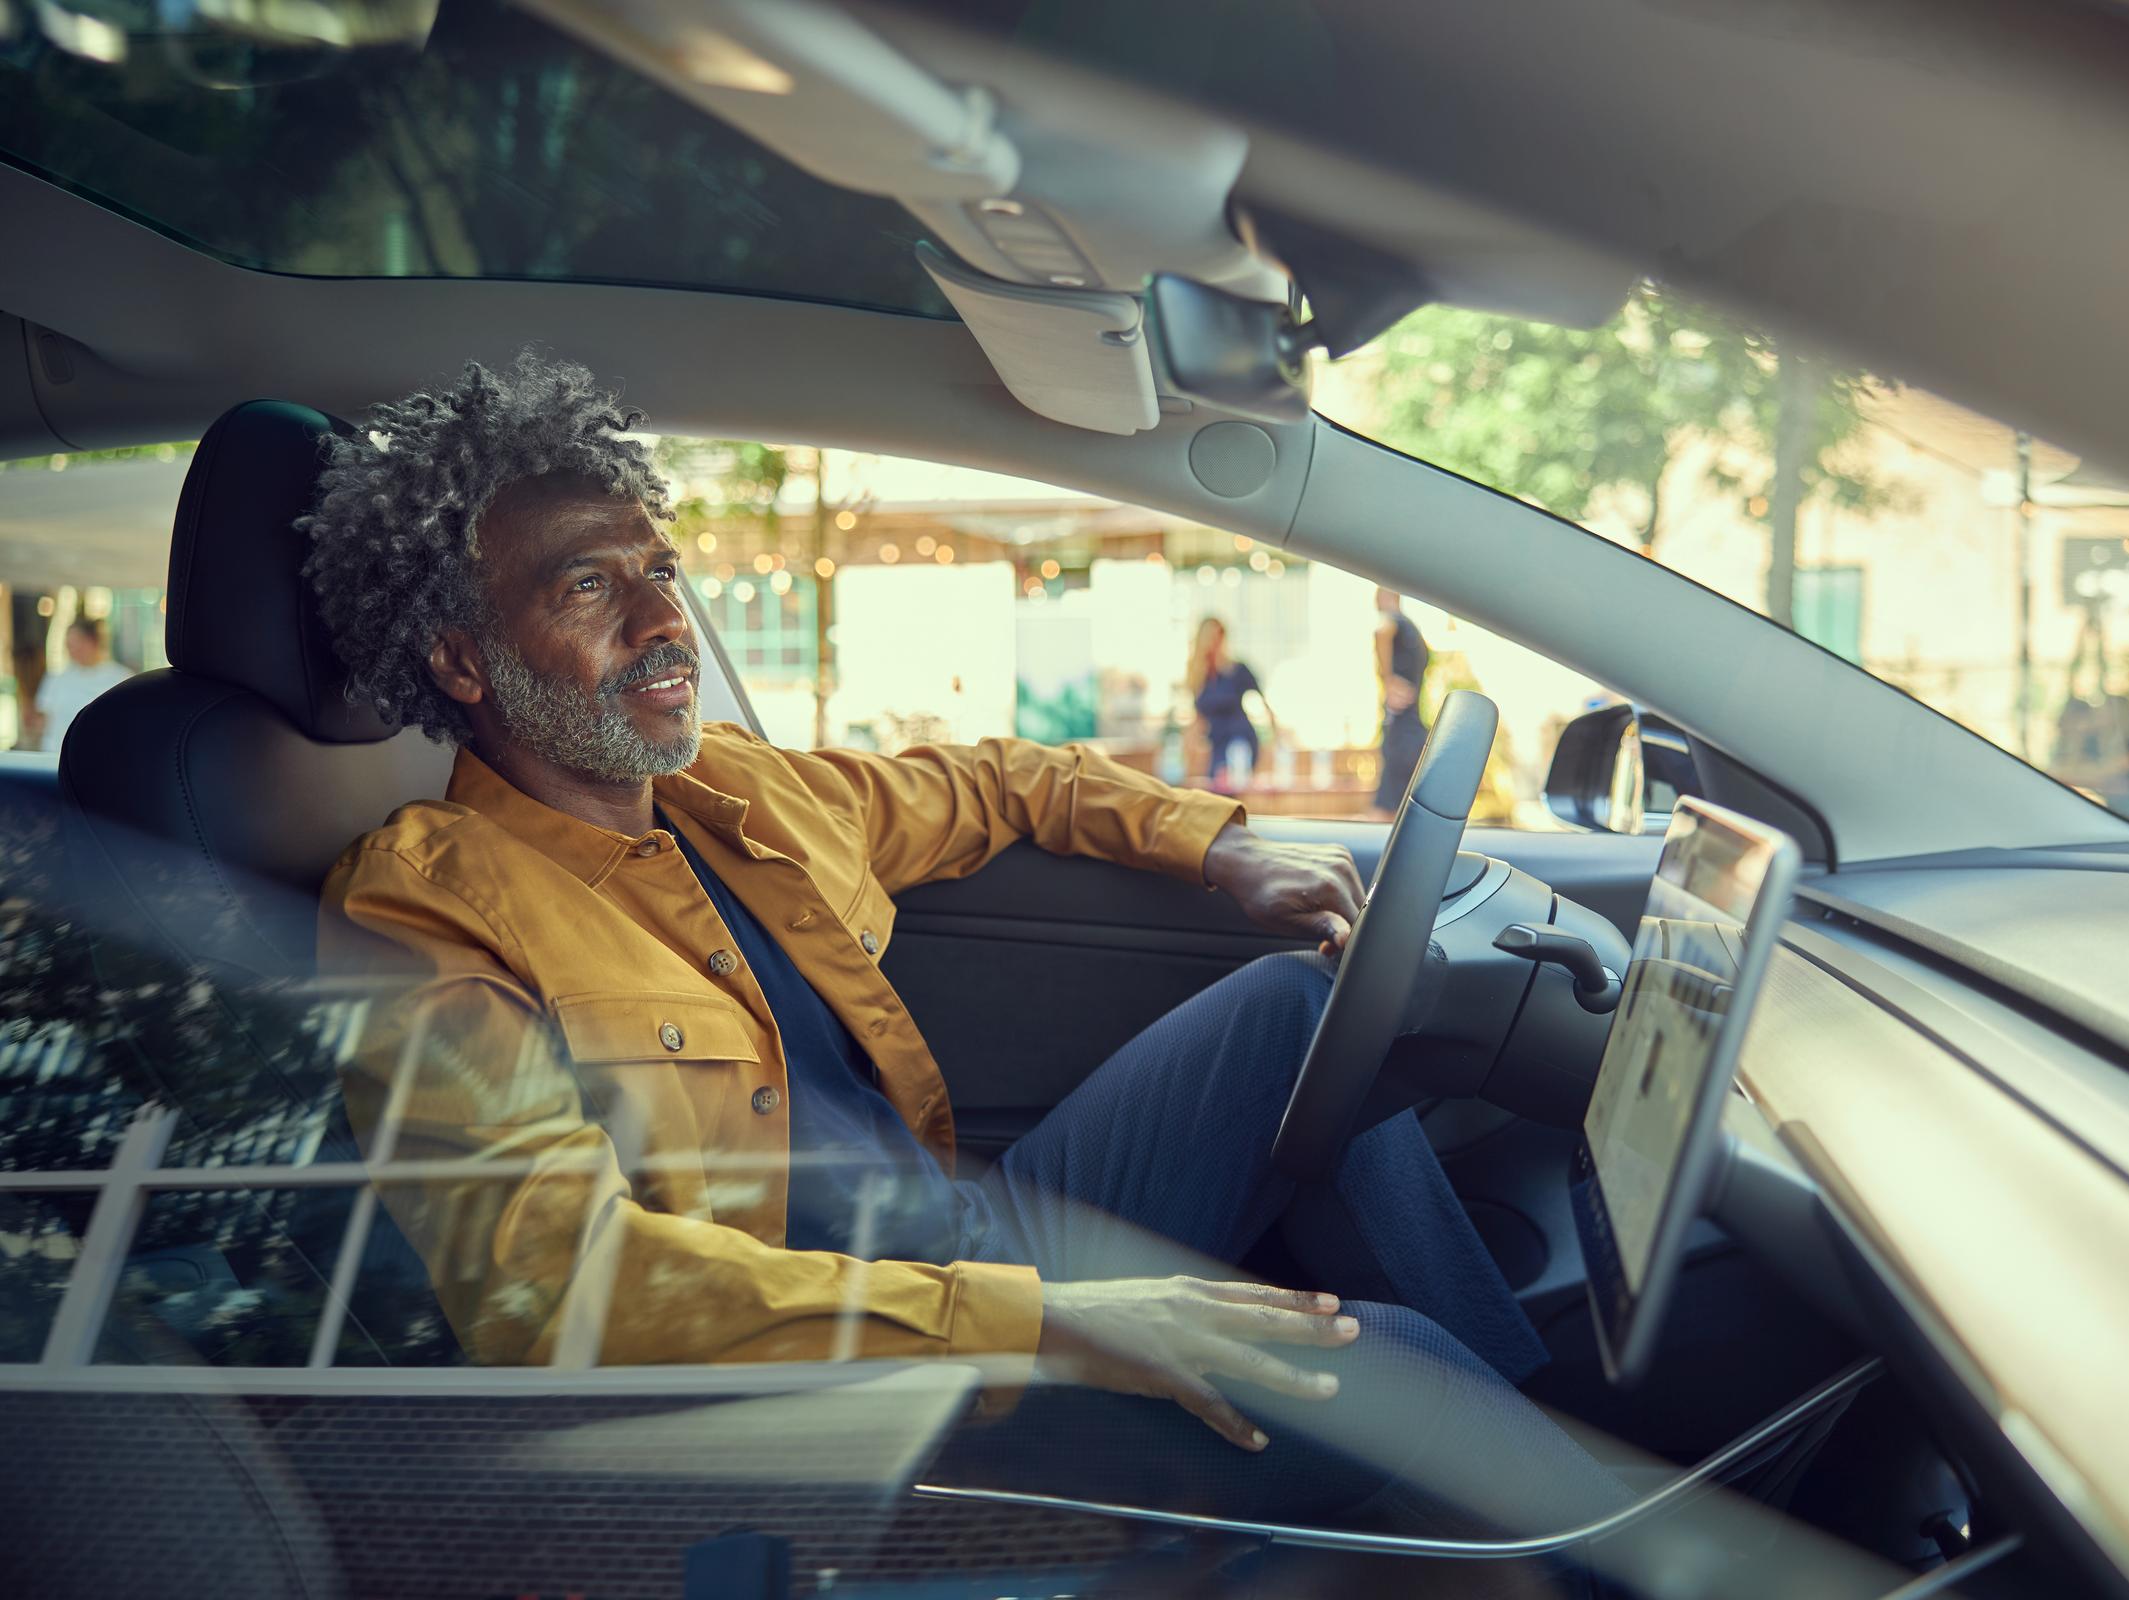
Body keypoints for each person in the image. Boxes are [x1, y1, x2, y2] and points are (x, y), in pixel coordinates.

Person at [305, 355, 1634, 1551]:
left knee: (1302, 1003)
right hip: (858, 1386)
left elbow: (1003, 784)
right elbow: (555, 1286)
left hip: (985, 1231)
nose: (664, 620)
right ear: (463, 662)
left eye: (658, 568)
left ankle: (1531, 1470)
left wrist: (1216, 845)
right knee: (1386, 1363)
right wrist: (1043, 1322)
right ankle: (1602, 1541)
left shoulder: (736, 793)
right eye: (590, 585)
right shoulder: (424, 913)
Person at [1185, 615, 1277, 791]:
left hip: (1239, 741)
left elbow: (1266, 708)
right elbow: (1198, 719)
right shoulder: (1198, 676)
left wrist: (1272, 744)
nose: (1216, 642)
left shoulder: (1238, 670)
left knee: (1229, 784)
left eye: (1220, 636)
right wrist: (1187, 749)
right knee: (1215, 788)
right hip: (1217, 744)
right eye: (1211, 637)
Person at [30, 617, 133, 753]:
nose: (72, 650)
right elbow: (41, 717)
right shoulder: (56, 678)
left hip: (101, 758)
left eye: (77, 644)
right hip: (55, 757)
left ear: (94, 642)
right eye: (69, 645)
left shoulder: (121, 678)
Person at [1371, 586, 1429, 818]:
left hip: (1402, 729)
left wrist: (1388, 681)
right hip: (1408, 725)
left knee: (1386, 808)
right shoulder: (1411, 629)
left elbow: (1381, 633)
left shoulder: (1395, 621)